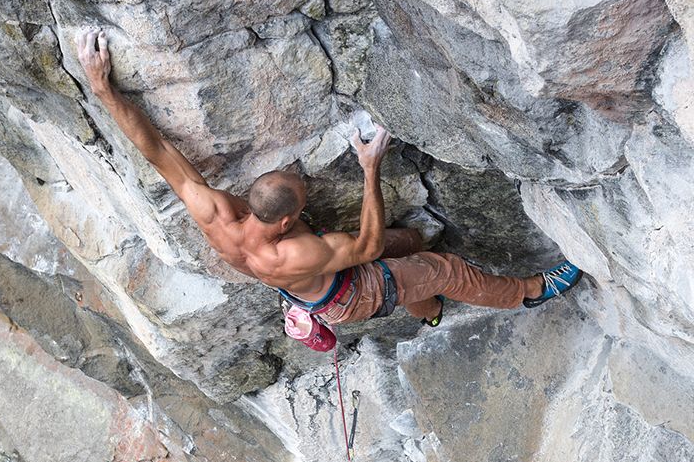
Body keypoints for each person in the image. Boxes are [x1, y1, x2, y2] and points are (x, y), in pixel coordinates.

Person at [76, 28, 581, 330]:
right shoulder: (297, 252)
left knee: (409, 243)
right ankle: (530, 291)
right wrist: (370, 168)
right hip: (352, 293)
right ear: (289, 221)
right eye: (301, 191)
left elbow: (157, 150)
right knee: (442, 266)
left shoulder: (215, 213)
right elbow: (365, 244)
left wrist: (103, 89)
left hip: (314, 286)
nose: (303, 181)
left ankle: (425, 310)